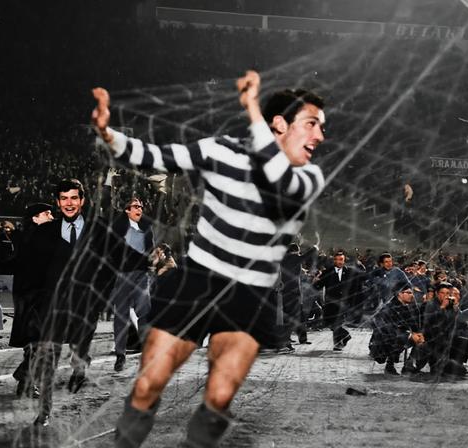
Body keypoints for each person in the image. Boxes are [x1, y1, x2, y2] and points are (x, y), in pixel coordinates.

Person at [93, 70, 326, 447]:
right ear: (280, 124)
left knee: (217, 400)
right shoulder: (220, 150)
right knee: (149, 382)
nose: (320, 136)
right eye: (312, 124)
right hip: (198, 278)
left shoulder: (308, 177)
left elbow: (277, 180)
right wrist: (109, 135)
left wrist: (253, 110)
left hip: (250, 292)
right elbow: (159, 156)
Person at [25, 180, 147, 427]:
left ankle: (80, 368)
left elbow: (121, 255)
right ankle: (44, 411)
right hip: (54, 305)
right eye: (63, 198)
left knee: (80, 347)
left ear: (81, 201)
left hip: (85, 304)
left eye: (73, 198)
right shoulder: (47, 231)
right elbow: (30, 265)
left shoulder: (98, 229)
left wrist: (151, 263)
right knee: (49, 356)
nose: (68, 203)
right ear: (58, 203)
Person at [103, 170, 156, 372]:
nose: (139, 208)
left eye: (141, 206)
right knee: (121, 316)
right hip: (122, 276)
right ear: (126, 210)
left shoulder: (147, 228)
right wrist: (109, 180)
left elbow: (150, 250)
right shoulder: (119, 222)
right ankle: (120, 354)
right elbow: (107, 202)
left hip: (141, 276)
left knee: (146, 312)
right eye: (135, 206)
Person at [9, 202, 54, 398]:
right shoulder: (31, 239)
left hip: (37, 297)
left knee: (35, 343)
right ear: (35, 218)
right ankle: (24, 376)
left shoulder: (37, 237)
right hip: (33, 298)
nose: (51, 217)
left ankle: (25, 384)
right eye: (47, 214)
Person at [368, 283, 424, 375]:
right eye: (409, 293)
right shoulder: (388, 308)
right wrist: (409, 335)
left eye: (412, 293)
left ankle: (408, 365)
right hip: (383, 341)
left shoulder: (411, 307)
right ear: (399, 294)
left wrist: (418, 334)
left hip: (399, 336)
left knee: (423, 338)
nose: (412, 295)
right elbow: (387, 329)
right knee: (401, 337)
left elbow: (415, 325)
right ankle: (389, 364)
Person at [313, 250, 362, 351]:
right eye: (337, 260)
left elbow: (354, 286)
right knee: (330, 323)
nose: (339, 262)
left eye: (341, 260)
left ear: (344, 260)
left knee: (337, 323)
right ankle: (346, 335)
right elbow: (318, 286)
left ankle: (338, 344)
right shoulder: (327, 272)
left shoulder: (349, 272)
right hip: (330, 303)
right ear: (334, 260)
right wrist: (316, 281)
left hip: (343, 303)